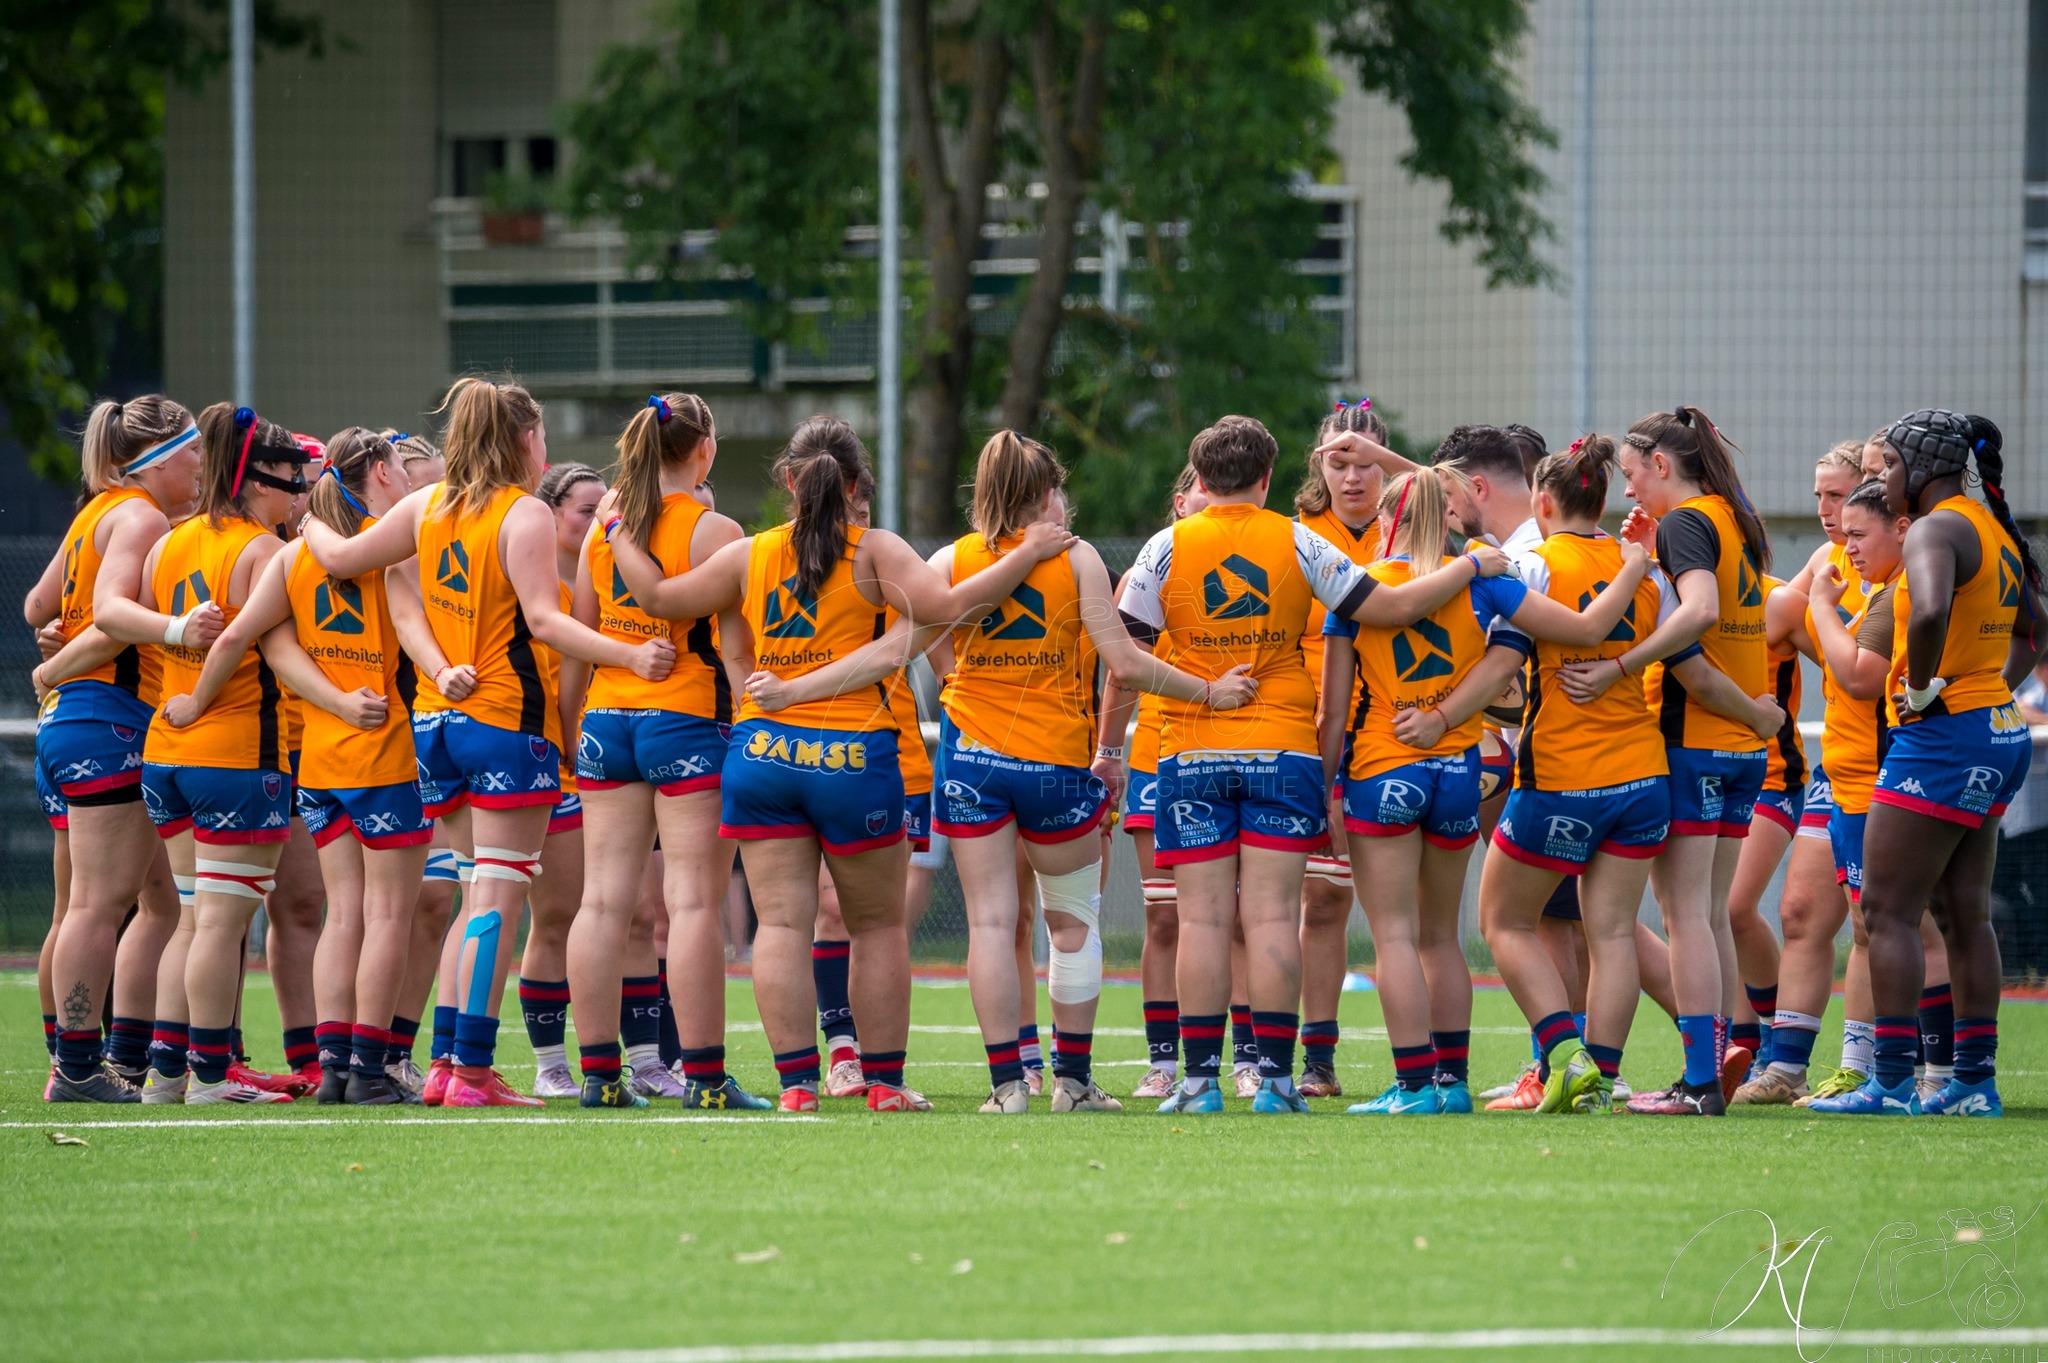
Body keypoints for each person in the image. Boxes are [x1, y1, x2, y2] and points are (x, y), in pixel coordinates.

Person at [608, 415, 1074, 1112]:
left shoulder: (749, 553)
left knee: (783, 927)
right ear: (856, 483)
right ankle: (882, 1081)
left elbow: (656, 599)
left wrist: (616, 533)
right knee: (877, 927)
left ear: (789, 481)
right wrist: (1030, 549)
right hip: (854, 755)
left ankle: (798, 1085)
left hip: (763, 755)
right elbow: (950, 607)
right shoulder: (876, 549)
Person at [1116, 415, 1512, 1116]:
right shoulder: (1299, 539)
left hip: (1191, 747)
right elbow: (1386, 605)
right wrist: (1469, 565)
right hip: (1287, 748)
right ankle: (1274, 1081)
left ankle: (1201, 1082)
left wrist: (1147, 726)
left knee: (1205, 920)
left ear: (1199, 481)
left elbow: (1124, 660)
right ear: (1269, 479)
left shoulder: (1163, 547)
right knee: (1272, 917)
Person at [300, 377, 676, 1108]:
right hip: (505, 721)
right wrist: (625, 654)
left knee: (477, 894)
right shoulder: (520, 512)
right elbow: (543, 620)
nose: (544, 449)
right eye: (539, 436)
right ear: (521, 440)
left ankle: (445, 1064)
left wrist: (318, 510)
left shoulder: (424, 504)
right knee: (497, 897)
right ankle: (469, 1069)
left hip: (436, 725)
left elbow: (343, 559)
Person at [1320, 455, 1651, 1115]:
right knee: (1442, 936)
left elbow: (1332, 712)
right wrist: (1636, 567)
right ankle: (1454, 1083)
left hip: (1383, 771)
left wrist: (1325, 790)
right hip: (1458, 774)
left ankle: (1412, 1085)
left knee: (1394, 933)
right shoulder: (1489, 583)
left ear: (1388, 520)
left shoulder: (1357, 590)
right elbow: (1586, 629)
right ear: (1445, 517)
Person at [159, 427, 430, 1104]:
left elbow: (238, 636)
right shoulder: (397, 548)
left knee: (342, 913)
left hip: (321, 761)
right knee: (388, 912)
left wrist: (191, 700)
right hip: (388, 753)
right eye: (400, 465)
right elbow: (424, 641)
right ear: (381, 474)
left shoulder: (293, 555)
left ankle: (334, 1063)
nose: (408, 474)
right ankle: (371, 1065)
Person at [1811, 410, 2042, 1116]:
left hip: (1943, 736)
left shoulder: (1940, 526)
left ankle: (1888, 1080)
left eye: (1887, 469)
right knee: (1964, 911)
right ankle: (1973, 1080)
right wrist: (1992, 689)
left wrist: (1923, 687)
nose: (1880, 480)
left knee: (1885, 910)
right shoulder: (1991, 527)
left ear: (1922, 465)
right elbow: (2036, 625)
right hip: (1997, 731)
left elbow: (1931, 609)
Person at [1558, 406, 1777, 1117]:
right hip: (1742, 748)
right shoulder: (1732, 516)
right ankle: (1710, 1069)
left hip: (1693, 741)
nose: (1627, 493)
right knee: (1707, 915)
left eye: (1630, 476)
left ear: (1661, 465)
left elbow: (1700, 612)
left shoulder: (1688, 520)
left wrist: (1622, 664)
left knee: (1686, 915)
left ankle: (1698, 1082)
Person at [568, 397, 756, 1109]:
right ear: (702, 448)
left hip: (604, 721)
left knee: (603, 900)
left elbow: (581, 639)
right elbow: (735, 648)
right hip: (684, 721)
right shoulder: (717, 531)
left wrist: (568, 728)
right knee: (692, 902)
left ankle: (599, 1075)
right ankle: (704, 1078)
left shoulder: (600, 531)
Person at [130, 404, 311, 1103]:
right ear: (256, 481)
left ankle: (167, 1072)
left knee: (191, 912)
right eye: (291, 483)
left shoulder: (170, 543)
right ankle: (209, 1073)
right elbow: (266, 650)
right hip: (236, 751)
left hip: (167, 750)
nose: (298, 496)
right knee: (220, 920)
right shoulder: (262, 550)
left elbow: (154, 631)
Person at [32, 395, 209, 1101]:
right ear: (160, 459)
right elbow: (108, 613)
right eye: (194, 451)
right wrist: (174, 628)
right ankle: (76, 1066)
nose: (201, 465)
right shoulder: (138, 514)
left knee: (142, 899)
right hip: (105, 720)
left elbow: (39, 608)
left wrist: (56, 655)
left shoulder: (95, 512)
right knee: (98, 905)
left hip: (73, 717)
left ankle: (85, 1058)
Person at [1730, 444, 1874, 1103]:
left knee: (1885, 919)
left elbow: (1850, 671)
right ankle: (1781, 1062)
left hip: (1875, 767)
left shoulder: (1899, 563)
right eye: (1818, 495)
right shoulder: (1823, 562)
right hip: (1833, 768)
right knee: (1795, 911)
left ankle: (1906, 1062)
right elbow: (1789, 630)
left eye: (1837, 495)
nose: (1824, 510)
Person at [1095, 466, 1207, 1099]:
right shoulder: (1152, 567)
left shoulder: (1262, 556)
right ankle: (1164, 1060)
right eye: (1199, 491)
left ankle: (1245, 1057)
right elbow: (1122, 669)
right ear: (1180, 500)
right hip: (1160, 755)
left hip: (1234, 752)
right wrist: (1109, 751)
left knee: (1238, 917)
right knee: (1163, 916)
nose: (1209, 501)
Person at [1290, 400, 1385, 1097]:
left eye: (1366, 462)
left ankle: (1434, 1063)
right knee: (1314, 905)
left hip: (1397, 744)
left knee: (1400, 912)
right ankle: (1309, 1059)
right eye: (1338, 461)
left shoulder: (1409, 534)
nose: (1353, 477)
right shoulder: (1292, 539)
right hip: (1301, 741)